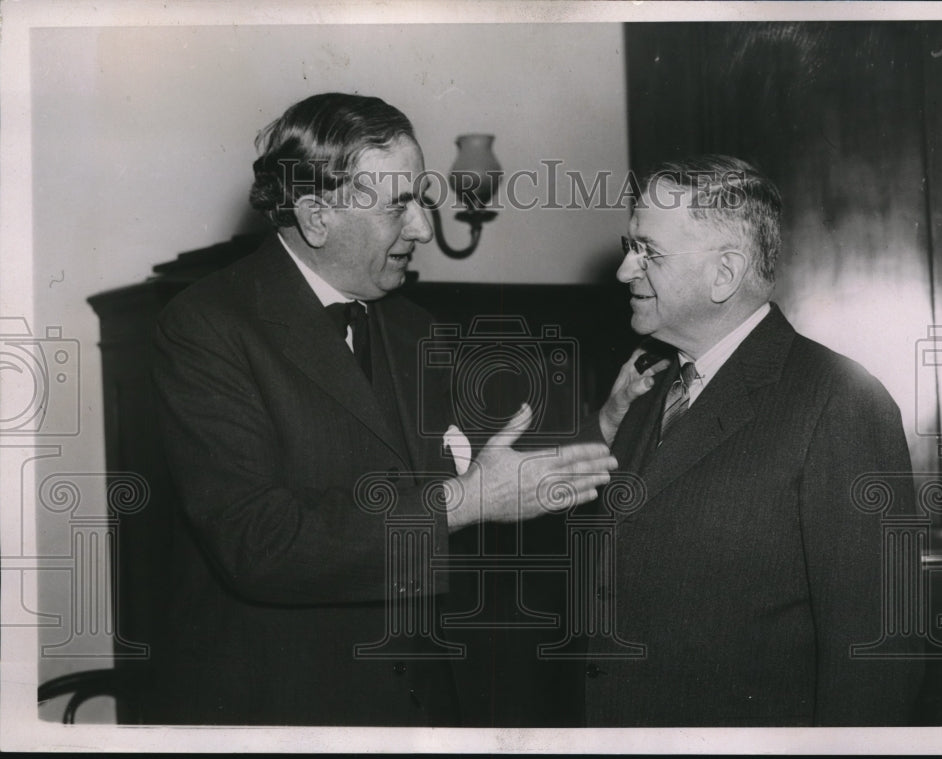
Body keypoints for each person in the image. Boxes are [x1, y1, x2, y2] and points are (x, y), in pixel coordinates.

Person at [150, 92, 648, 726]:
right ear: (316, 217)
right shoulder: (206, 327)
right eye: (399, 207)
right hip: (282, 708)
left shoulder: (409, 326)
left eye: (422, 200)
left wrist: (603, 425)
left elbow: (497, 458)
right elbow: (261, 545)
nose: (420, 229)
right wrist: (467, 502)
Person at [584, 155, 925, 726]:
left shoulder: (840, 402)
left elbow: (877, 661)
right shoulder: (647, 390)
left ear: (725, 274)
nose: (624, 270)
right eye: (630, 244)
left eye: (649, 252)